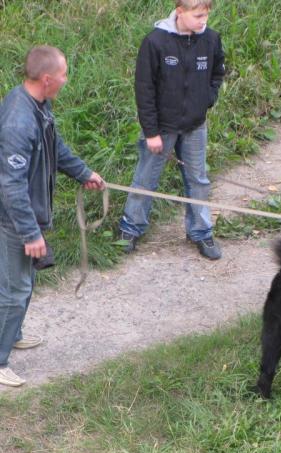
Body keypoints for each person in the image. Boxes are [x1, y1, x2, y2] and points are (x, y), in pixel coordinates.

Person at [0, 46, 106, 387]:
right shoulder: (19, 120)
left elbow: (55, 148)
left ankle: (11, 334)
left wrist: (84, 173)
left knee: (24, 284)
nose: (66, 79)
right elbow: (11, 185)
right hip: (12, 221)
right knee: (14, 291)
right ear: (47, 79)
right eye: (63, 74)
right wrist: (31, 234)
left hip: (26, 218)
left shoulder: (40, 106)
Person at [119, 0, 225, 260]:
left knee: (198, 180)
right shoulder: (155, 42)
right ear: (180, 12)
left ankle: (201, 231)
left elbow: (218, 72)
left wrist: (206, 100)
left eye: (206, 16)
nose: (203, 21)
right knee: (145, 179)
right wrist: (151, 132)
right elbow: (144, 90)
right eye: (198, 15)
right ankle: (130, 228)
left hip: (194, 126)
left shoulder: (211, 39)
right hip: (161, 128)